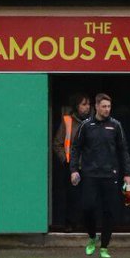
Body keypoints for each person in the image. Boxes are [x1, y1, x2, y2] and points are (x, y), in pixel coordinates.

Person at [70, 93, 130, 258]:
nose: (107, 110)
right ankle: (92, 237)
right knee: (87, 208)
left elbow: (123, 150)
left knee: (109, 212)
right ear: (96, 107)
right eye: (104, 106)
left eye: (109, 107)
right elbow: (75, 148)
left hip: (110, 175)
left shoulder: (116, 125)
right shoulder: (86, 125)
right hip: (90, 174)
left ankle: (104, 247)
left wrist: (128, 174)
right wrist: (74, 170)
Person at [52, 94, 91, 231]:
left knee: (89, 197)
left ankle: (87, 225)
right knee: (72, 197)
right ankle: (70, 224)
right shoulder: (67, 121)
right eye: (83, 104)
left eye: (88, 104)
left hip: (90, 167)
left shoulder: (94, 122)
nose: (87, 107)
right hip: (72, 167)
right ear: (77, 106)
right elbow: (57, 143)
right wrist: (65, 160)